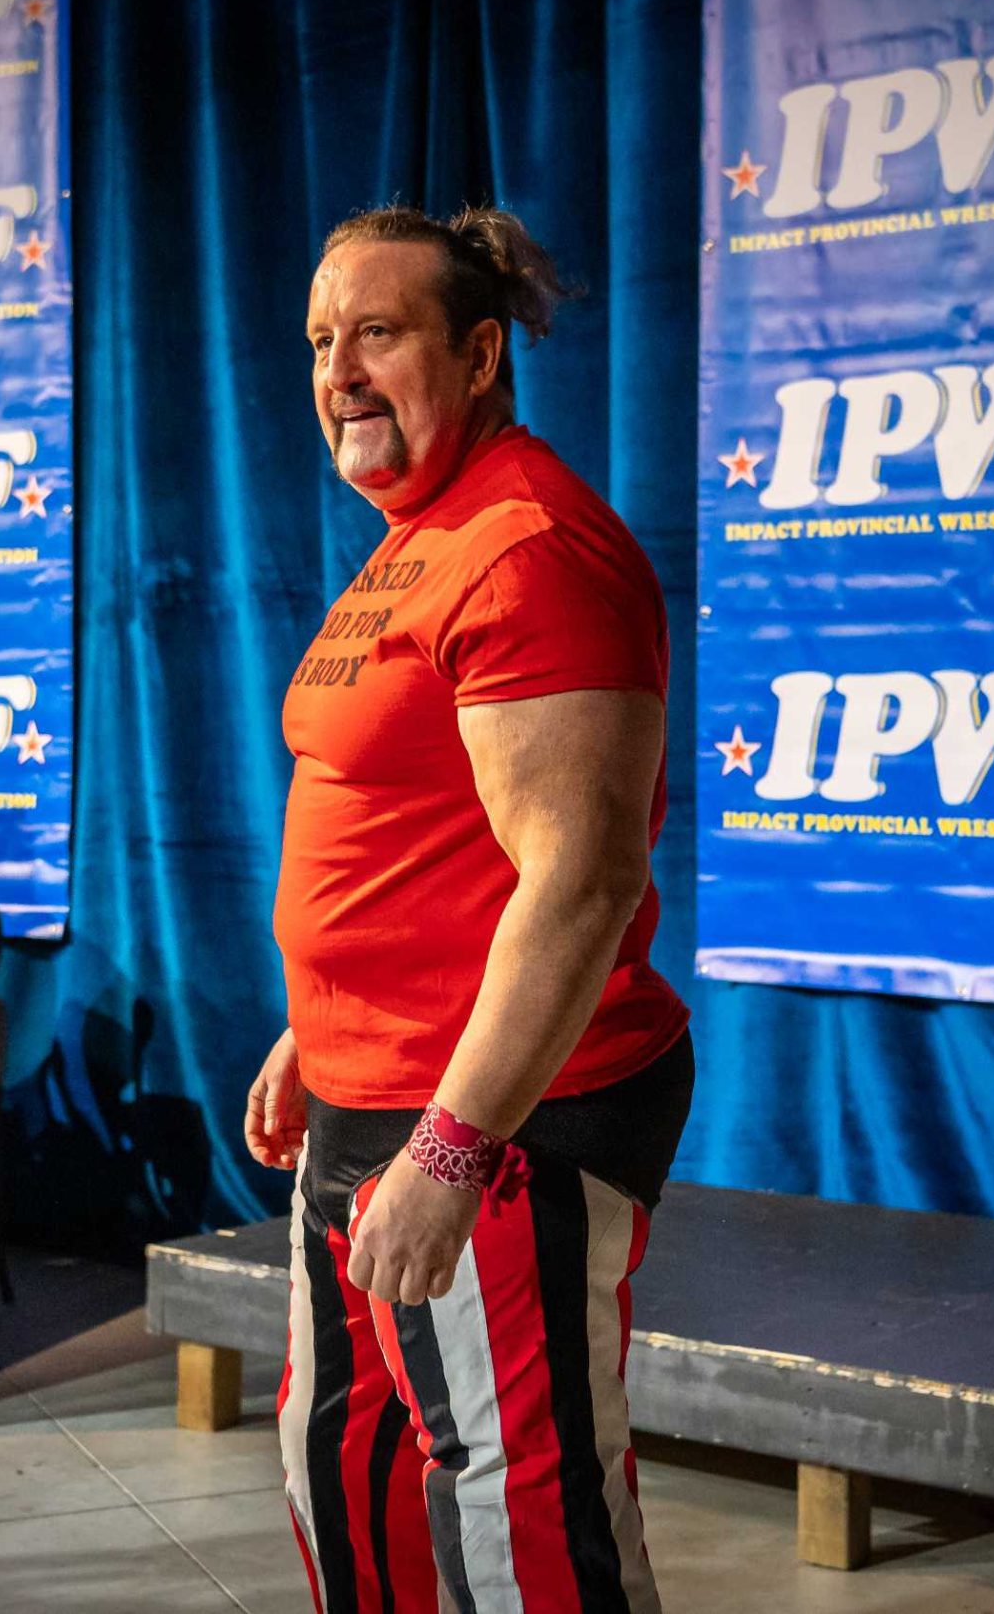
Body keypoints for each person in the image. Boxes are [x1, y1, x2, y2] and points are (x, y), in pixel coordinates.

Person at [250, 204, 693, 1613]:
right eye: (321, 340)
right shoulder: (417, 539)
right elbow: (414, 823)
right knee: (344, 1462)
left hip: (500, 1120)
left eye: (377, 333)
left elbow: (580, 879)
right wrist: (319, 1020)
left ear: (481, 352)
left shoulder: (528, 545)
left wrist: (452, 1148)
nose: (339, 372)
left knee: (520, 1520)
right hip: (364, 1089)